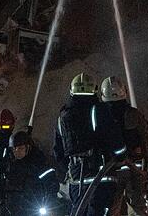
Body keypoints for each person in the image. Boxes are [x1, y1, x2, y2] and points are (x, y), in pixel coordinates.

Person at [54, 72, 126, 216]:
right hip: (101, 175)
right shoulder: (100, 110)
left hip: (76, 181)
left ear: (71, 90)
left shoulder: (62, 118)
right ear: (94, 89)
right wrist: (121, 156)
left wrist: (71, 169)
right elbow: (116, 141)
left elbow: (58, 153)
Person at [101, 76, 148, 215]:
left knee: (112, 209)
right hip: (135, 169)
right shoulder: (134, 114)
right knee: (141, 209)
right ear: (124, 91)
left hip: (111, 171)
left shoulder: (101, 117)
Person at [4, 130, 60, 215]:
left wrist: (50, 204)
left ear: (28, 147)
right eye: (14, 148)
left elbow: (52, 184)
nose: (17, 151)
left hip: (34, 207)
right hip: (15, 209)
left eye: (20, 148)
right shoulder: (10, 165)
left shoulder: (38, 163)